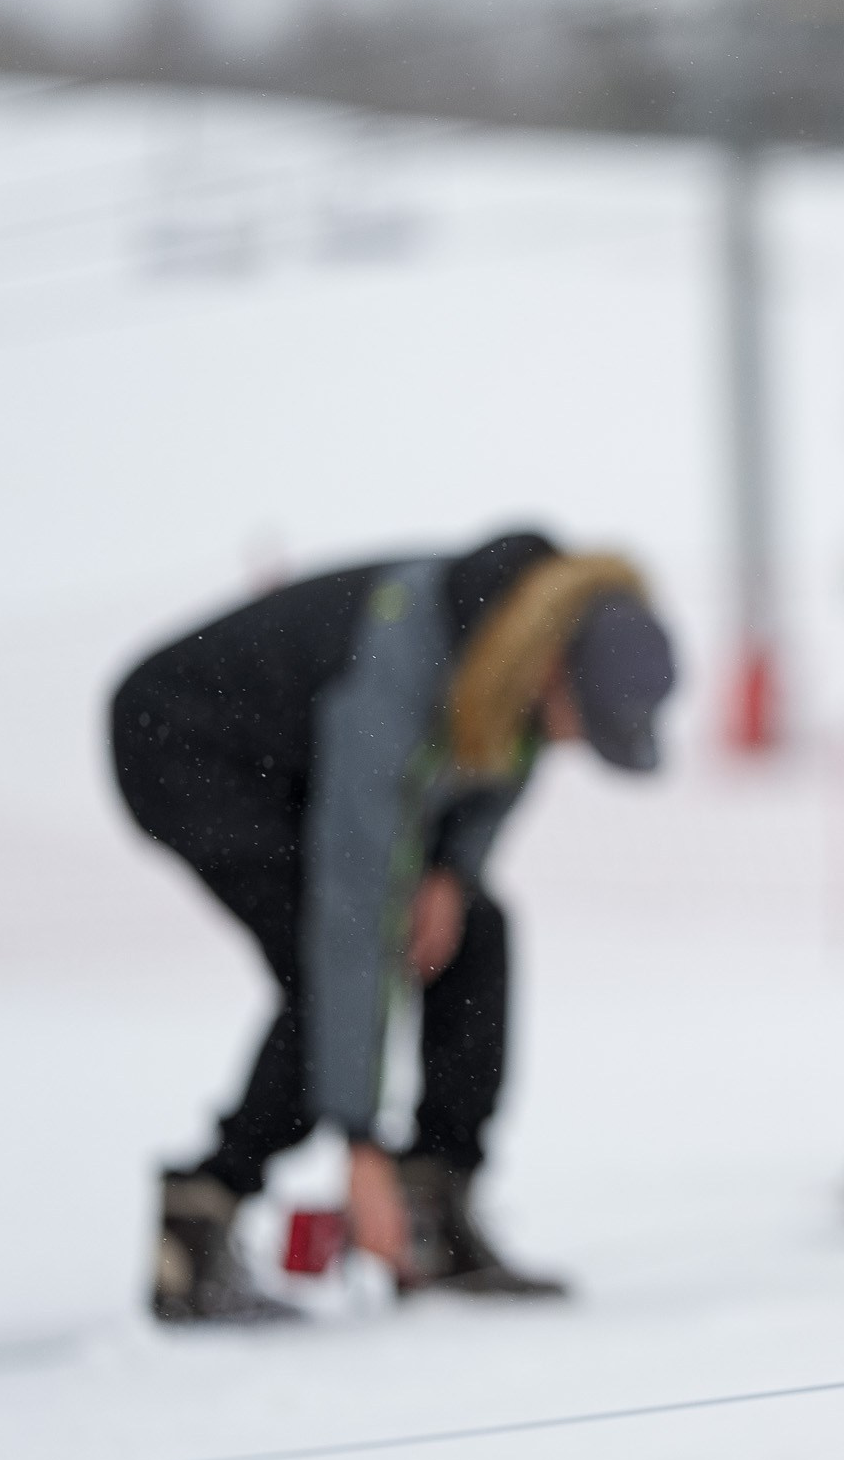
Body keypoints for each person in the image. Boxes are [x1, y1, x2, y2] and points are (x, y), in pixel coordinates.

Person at [112, 527, 676, 1322]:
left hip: (308, 760)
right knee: (335, 967)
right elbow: (352, 913)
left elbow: (495, 773)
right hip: (190, 745)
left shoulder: (516, 662)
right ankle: (200, 1219)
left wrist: (451, 870)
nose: (575, 744)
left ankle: (435, 1199)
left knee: (475, 932)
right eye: (580, 723)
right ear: (549, 670)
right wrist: (360, 1143)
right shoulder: (402, 672)